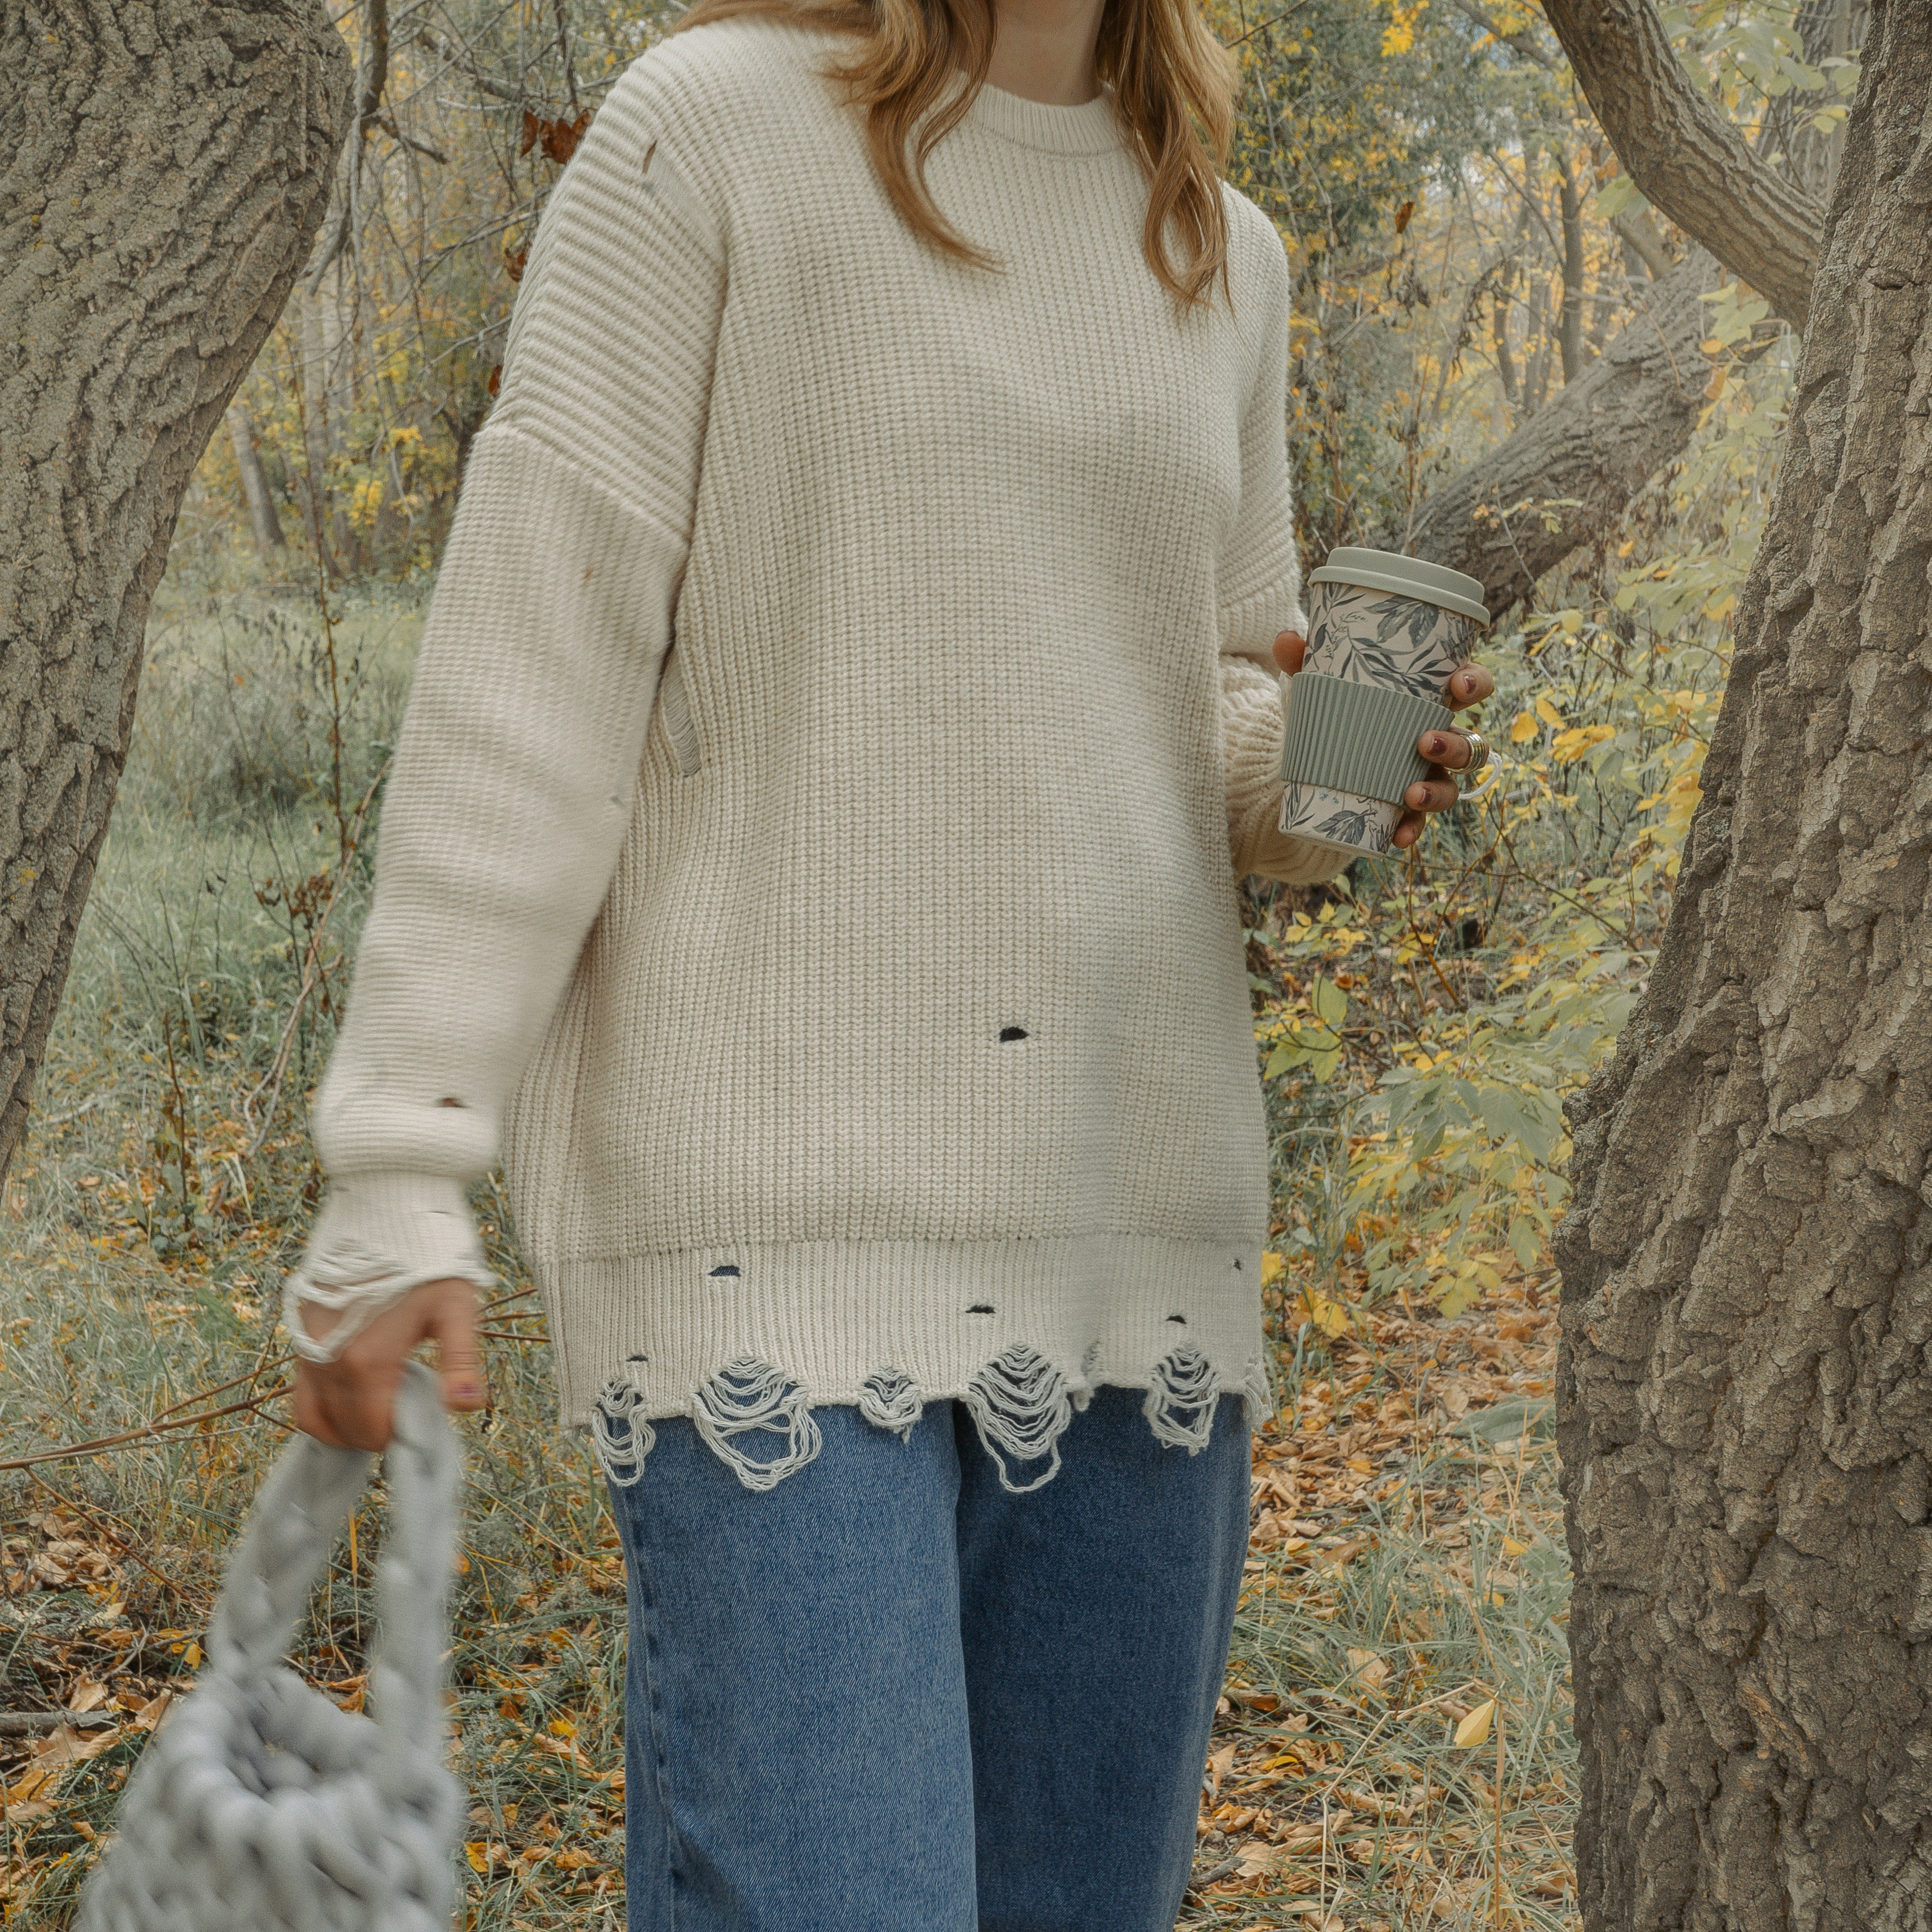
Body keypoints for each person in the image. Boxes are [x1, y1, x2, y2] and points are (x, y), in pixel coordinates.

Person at [284, 0, 1492, 1918]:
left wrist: (1330, 766)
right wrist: (404, 1155)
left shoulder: (1221, 248)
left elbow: (1202, 702)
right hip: (777, 1225)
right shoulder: (716, 135)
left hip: (1131, 1229)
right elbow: (541, 650)